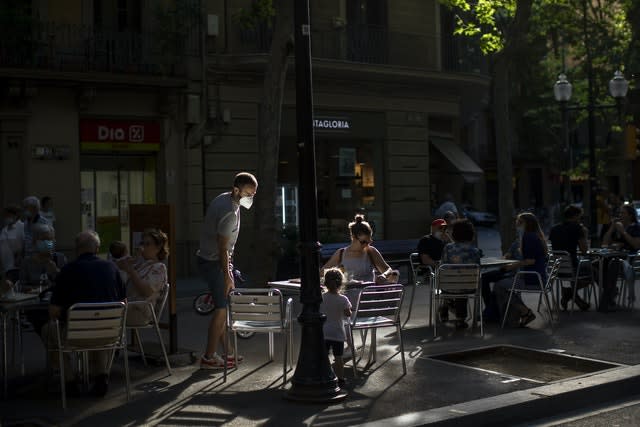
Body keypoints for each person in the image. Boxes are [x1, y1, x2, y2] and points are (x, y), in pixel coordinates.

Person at [43, 230, 126, 397]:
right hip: (110, 334)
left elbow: (53, 311)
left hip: (76, 336)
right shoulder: (112, 268)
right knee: (98, 323)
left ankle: (69, 380)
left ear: (76, 249)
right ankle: (101, 376)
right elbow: (124, 302)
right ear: (97, 248)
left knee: (48, 330)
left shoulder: (67, 270)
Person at [197, 172, 258, 370]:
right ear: (237, 190)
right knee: (222, 311)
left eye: (254, 194)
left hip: (207, 258)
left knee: (222, 310)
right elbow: (222, 247)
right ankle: (208, 357)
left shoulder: (223, 199)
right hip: (215, 262)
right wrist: (228, 275)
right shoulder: (230, 213)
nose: (251, 197)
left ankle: (229, 353)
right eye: (249, 193)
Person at [494, 213, 548, 327]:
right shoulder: (535, 236)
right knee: (507, 282)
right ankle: (516, 315)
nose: (517, 225)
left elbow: (530, 261)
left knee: (499, 286)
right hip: (536, 277)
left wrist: (511, 266)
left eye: (519, 222)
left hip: (531, 279)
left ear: (527, 224)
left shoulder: (529, 237)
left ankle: (524, 311)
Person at [321, 214, 399, 284]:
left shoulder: (370, 251)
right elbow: (323, 272)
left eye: (369, 242)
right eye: (363, 242)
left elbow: (388, 269)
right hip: (347, 295)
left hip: (367, 294)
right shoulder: (341, 253)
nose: (366, 245)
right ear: (353, 237)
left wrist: (383, 275)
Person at [116, 229, 168, 326]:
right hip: (129, 306)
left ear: (158, 247)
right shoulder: (140, 264)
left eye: (147, 244)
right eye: (142, 243)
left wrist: (131, 271)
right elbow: (117, 265)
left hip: (140, 311)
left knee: (106, 312)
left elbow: (146, 291)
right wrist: (131, 259)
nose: (143, 247)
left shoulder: (159, 267)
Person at [440, 219, 482, 328]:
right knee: (464, 282)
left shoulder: (448, 248)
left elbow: (442, 266)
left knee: (456, 281)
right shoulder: (475, 251)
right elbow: (478, 269)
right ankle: (460, 319)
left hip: (448, 286)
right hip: (469, 286)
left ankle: (446, 305)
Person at [548, 205, 590, 311]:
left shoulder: (554, 228)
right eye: (580, 217)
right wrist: (584, 234)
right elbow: (584, 250)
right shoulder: (577, 228)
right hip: (572, 267)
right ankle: (569, 294)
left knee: (579, 272)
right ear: (575, 216)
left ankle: (569, 295)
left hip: (556, 268)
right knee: (594, 271)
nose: (580, 220)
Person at [600, 204, 640, 309]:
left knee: (613, 264)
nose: (620, 215)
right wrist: (612, 228)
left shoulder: (636, 227)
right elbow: (604, 244)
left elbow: (636, 245)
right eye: (619, 213)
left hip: (629, 262)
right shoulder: (617, 226)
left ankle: (606, 300)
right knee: (594, 266)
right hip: (612, 258)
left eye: (623, 213)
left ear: (630, 216)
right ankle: (611, 293)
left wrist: (623, 232)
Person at [320, 267, 352, 386]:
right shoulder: (343, 299)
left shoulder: (321, 297)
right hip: (338, 333)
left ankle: (325, 376)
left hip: (324, 332)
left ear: (325, 283)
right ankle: (341, 379)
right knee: (338, 358)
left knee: (324, 356)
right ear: (341, 283)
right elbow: (348, 314)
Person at [19, 223, 66, 290]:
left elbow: (67, 282)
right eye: (43, 239)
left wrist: (56, 271)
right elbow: (22, 286)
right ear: (34, 242)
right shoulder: (26, 262)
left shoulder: (60, 258)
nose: (47, 242)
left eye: (50, 239)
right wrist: (37, 289)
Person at [0, 204, 24, 274]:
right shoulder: (4, 229)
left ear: (15, 215)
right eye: (5, 216)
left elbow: (26, 243)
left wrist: (20, 256)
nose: (5, 217)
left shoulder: (22, 227)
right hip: (5, 266)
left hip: (16, 266)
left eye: (8, 215)